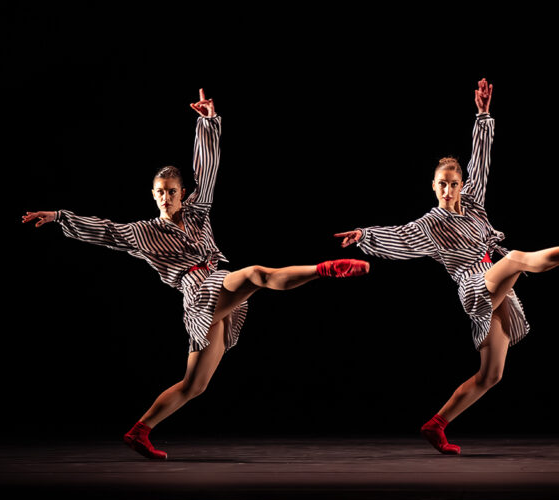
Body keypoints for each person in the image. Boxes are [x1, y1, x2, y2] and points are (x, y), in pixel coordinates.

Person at [23, 89, 369, 460]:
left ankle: (139, 431)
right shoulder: (143, 232)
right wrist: (59, 217)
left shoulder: (197, 212)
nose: (166, 198)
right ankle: (326, 269)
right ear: (153, 194)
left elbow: (208, 170)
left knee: (195, 385)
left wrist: (207, 123)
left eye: (172, 191)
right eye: (160, 192)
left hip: (216, 285)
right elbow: (106, 231)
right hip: (200, 292)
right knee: (255, 275)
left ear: (181, 192)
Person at [335, 78, 559, 455]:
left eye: (453, 184)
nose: (448, 190)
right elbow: (400, 237)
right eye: (442, 184)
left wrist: (483, 116)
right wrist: (364, 235)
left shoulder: (473, 203)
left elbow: (481, 161)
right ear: (433, 185)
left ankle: (436, 425)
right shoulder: (430, 225)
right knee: (516, 259)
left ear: (461, 185)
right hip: (474, 286)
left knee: (492, 374)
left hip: (494, 279)